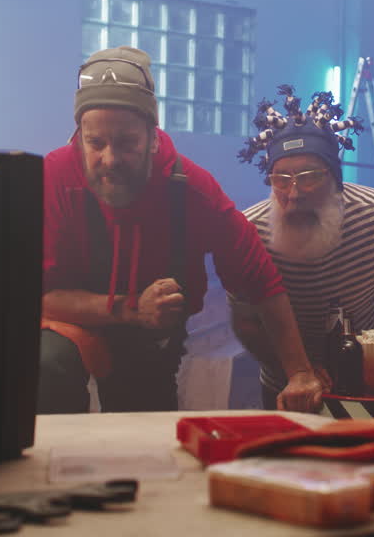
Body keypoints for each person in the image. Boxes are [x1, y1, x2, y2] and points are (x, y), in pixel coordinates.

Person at [39, 47, 324, 415]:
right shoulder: (55, 177)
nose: (109, 159)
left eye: (127, 143)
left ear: (153, 137)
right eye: (96, 143)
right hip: (70, 329)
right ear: (79, 136)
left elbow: (261, 282)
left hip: (150, 343)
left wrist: (300, 373)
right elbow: (34, 297)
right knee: (48, 366)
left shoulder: (192, 189)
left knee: (145, 436)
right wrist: (131, 308)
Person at [229, 85, 374, 409]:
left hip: (365, 386)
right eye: (281, 180)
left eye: (309, 177)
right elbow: (246, 322)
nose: (294, 194)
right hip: (286, 390)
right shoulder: (249, 232)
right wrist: (297, 371)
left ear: (335, 179)